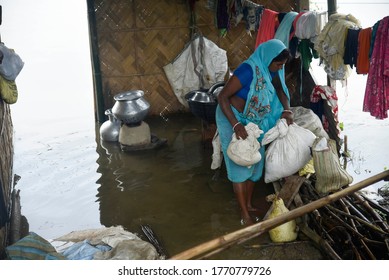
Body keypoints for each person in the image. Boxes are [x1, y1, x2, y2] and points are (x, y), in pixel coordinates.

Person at [215, 39, 293, 226]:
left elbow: (281, 90)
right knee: (240, 163)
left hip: (253, 121)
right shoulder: (248, 70)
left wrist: (287, 109)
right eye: (278, 64)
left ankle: (248, 204)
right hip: (231, 118)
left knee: (255, 163)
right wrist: (235, 125)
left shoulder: (271, 70)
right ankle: (244, 215)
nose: (280, 68)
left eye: (283, 65)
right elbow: (222, 96)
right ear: (268, 59)